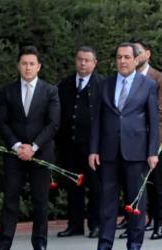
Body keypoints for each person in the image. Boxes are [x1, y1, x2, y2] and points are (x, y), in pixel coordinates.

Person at [89, 42, 159, 250]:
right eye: (119, 57)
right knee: (107, 200)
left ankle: (134, 244)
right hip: (109, 152)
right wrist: (93, 150)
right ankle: (104, 246)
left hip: (136, 151)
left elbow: (153, 121)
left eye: (127, 57)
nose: (122, 61)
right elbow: (97, 120)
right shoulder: (106, 84)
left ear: (135, 59)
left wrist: (152, 151)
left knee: (136, 200)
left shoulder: (146, 85)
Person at [0, 46, 60, 250]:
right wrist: (17, 146)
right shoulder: (7, 91)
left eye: (32, 64)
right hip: (15, 154)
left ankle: (40, 245)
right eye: (24, 63)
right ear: (18, 66)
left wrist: (34, 147)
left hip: (41, 153)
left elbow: (53, 123)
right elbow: (0, 122)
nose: (28, 67)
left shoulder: (50, 91)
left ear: (38, 67)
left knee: (40, 201)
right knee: (10, 200)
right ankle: (3, 247)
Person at [55, 46, 103, 239]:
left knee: (96, 186)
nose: (83, 63)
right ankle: (75, 224)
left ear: (94, 63)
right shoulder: (65, 84)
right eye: (80, 59)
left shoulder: (103, 84)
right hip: (70, 144)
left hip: (93, 146)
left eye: (87, 60)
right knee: (73, 186)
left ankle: (96, 224)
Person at [133, 38, 162, 240]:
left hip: (153, 137)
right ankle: (141, 221)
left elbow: (160, 111)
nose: (135, 56)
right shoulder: (127, 78)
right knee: (137, 183)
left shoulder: (159, 78)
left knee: (156, 182)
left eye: (137, 52)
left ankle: (160, 223)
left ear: (147, 54)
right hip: (132, 138)